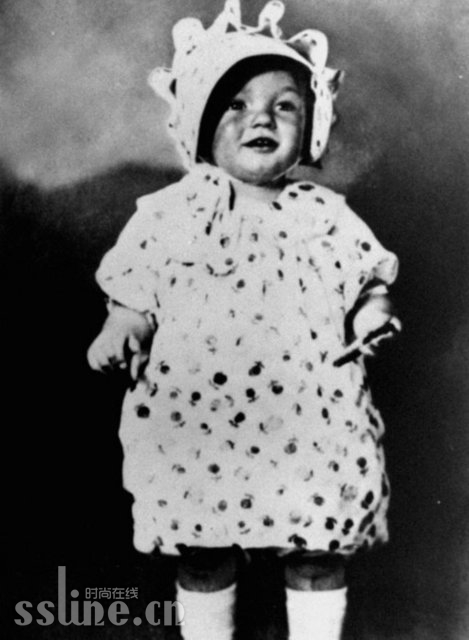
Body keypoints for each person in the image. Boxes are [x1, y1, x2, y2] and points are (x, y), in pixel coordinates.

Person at [87, 1, 400, 639]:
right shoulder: (169, 214)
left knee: (319, 549)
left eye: (284, 105)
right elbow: (134, 295)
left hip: (310, 419)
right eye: (235, 104)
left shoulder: (325, 215)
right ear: (200, 125)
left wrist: (373, 316)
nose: (261, 117)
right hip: (199, 418)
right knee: (203, 551)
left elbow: (369, 285)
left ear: (311, 126)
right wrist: (122, 328)